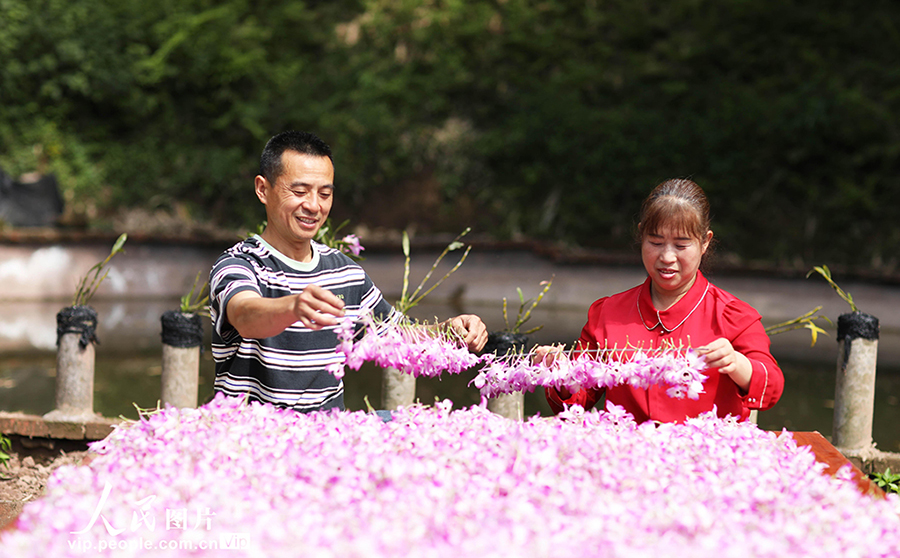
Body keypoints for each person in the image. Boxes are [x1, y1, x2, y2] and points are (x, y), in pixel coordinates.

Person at [209, 130, 487, 412]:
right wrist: (293, 306)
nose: (313, 206)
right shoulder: (239, 264)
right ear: (262, 189)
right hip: (255, 438)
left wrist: (448, 332)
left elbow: (396, 333)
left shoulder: (345, 272)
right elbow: (245, 315)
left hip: (331, 439)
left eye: (325, 193)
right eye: (299, 191)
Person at [536, 178, 784, 423]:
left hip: (705, 456)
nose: (667, 257)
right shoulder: (608, 313)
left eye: (681, 244)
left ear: (705, 242)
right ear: (641, 236)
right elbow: (575, 402)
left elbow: (771, 385)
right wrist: (560, 373)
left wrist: (738, 363)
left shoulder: (734, 316)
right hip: (627, 455)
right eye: (655, 242)